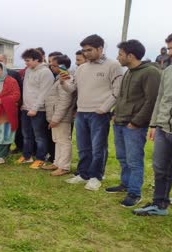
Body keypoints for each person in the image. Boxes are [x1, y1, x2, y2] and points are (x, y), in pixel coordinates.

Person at [61, 34, 123, 191]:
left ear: (100, 48)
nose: (86, 53)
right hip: (82, 111)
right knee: (83, 146)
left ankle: (96, 176)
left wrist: (105, 108)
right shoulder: (81, 68)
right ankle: (83, 174)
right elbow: (72, 88)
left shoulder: (113, 65)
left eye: (89, 50)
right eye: (84, 50)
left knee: (98, 147)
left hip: (99, 113)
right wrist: (63, 81)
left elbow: (118, 90)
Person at [104, 40, 161, 207]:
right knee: (122, 157)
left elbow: (152, 101)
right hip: (120, 122)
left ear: (131, 55)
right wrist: (115, 113)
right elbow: (122, 97)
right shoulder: (128, 72)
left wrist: (136, 122)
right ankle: (125, 184)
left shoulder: (150, 72)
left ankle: (135, 192)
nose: (118, 57)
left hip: (134, 125)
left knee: (134, 160)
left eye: (120, 54)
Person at [133, 30, 172, 216]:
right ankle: (159, 205)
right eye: (170, 48)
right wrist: (154, 124)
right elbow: (160, 99)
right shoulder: (168, 71)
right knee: (160, 169)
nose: (171, 53)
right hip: (163, 129)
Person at [19, 48, 54, 169]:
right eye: (25, 61)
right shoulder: (28, 70)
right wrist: (24, 105)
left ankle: (40, 158)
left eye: (28, 60)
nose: (26, 63)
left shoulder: (45, 72)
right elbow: (27, 89)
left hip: (38, 110)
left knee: (39, 136)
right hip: (26, 107)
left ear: (37, 59)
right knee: (26, 134)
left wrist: (35, 108)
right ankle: (27, 156)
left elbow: (44, 92)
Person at [44, 55, 75, 176]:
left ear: (63, 66)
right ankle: (57, 163)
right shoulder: (58, 78)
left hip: (61, 117)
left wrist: (56, 118)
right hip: (55, 115)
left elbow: (64, 101)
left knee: (63, 141)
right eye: (51, 64)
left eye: (54, 65)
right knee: (57, 140)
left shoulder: (66, 79)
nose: (52, 66)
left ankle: (64, 166)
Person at [0, 54, 24, 154]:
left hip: (6, 108)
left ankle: (3, 151)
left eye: (1, 60)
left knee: (5, 130)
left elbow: (19, 92)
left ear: (6, 61)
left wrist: (17, 104)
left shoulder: (13, 74)